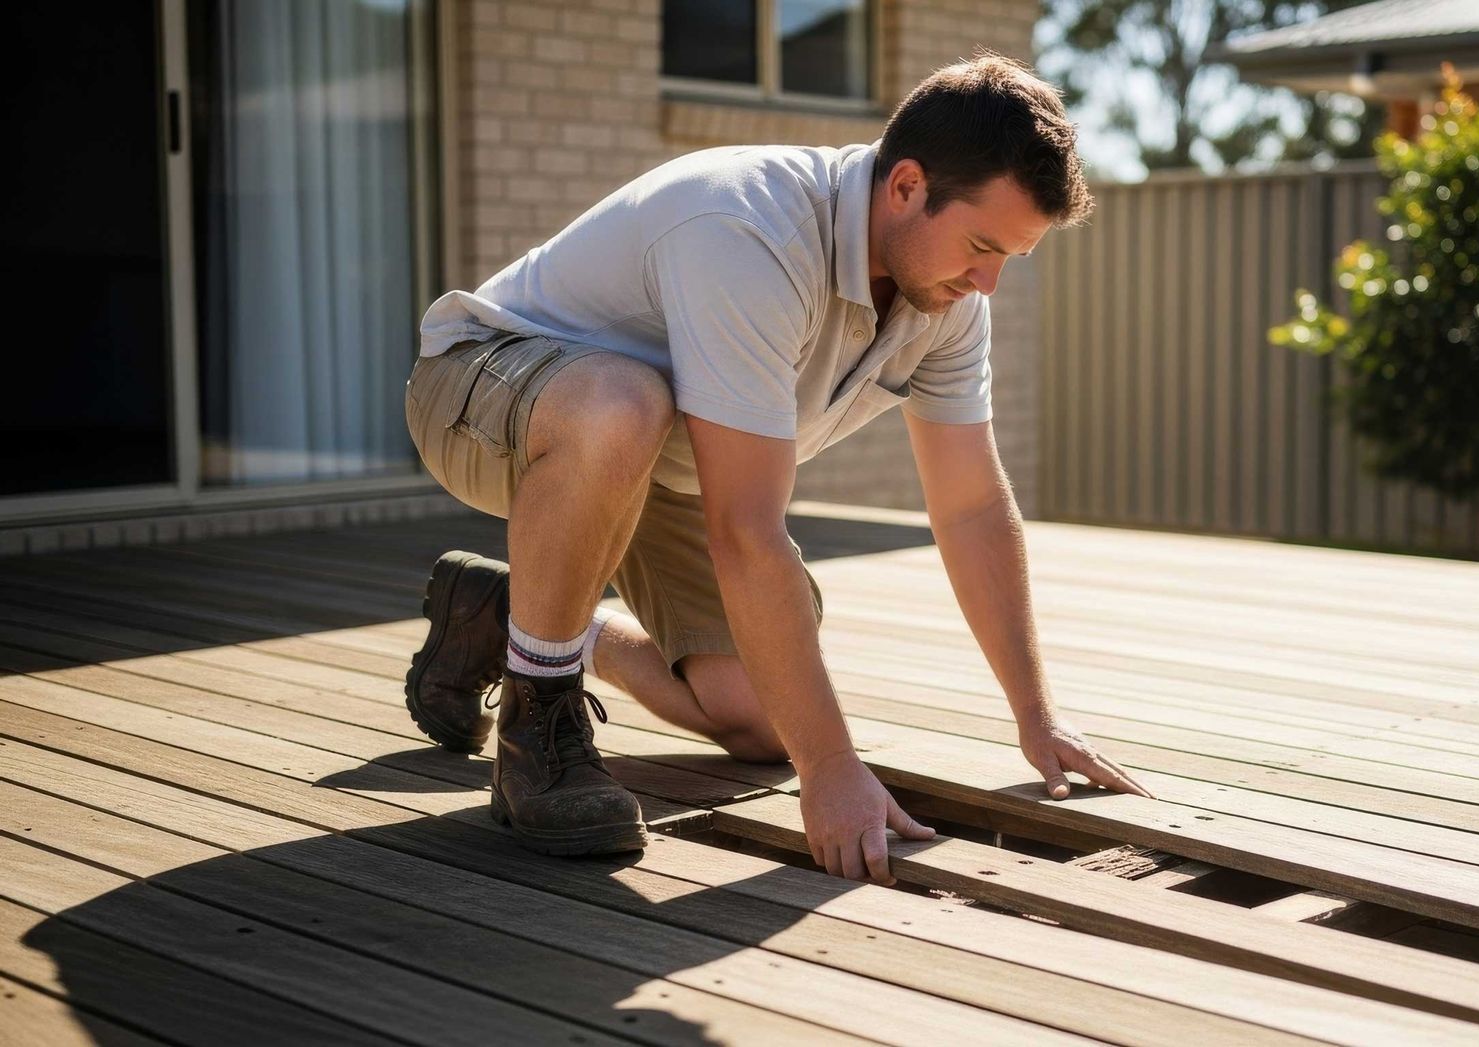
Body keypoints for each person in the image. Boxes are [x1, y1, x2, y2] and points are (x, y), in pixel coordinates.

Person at [400, 53, 1152, 884]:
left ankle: (519, 611)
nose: (989, 284)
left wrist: (1035, 714)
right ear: (905, 186)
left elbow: (972, 505)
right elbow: (745, 530)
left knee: (763, 719)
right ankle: (538, 728)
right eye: (981, 247)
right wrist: (831, 768)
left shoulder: (946, 298)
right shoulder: (749, 232)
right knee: (623, 404)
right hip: (485, 389)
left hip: (663, 460)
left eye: (1009, 257)